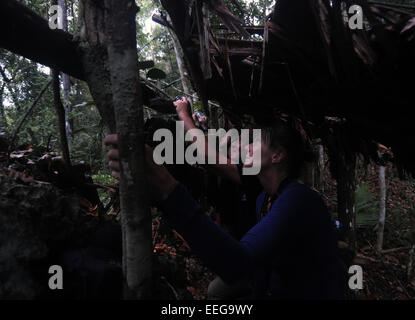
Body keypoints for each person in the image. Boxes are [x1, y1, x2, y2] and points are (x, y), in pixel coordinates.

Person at [104, 119, 342, 299]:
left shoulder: (298, 200)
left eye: (256, 141)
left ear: (277, 156)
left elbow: (237, 264)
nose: (247, 147)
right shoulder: (264, 198)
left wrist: (168, 189)